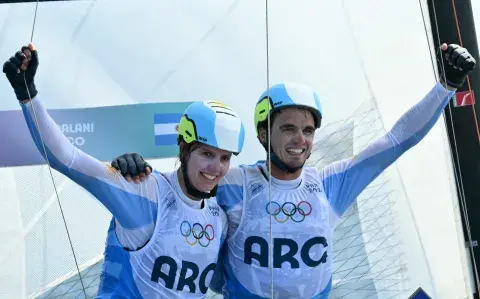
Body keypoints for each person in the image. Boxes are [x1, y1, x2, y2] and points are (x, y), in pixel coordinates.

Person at [112, 43, 475, 298]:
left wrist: (446, 86)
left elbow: (397, 141)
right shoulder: (233, 181)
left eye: (308, 130)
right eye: (288, 128)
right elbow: (175, 188)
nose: (299, 139)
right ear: (263, 133)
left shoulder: (331, 184)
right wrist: (131, 168)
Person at [2, 43, 246, 298]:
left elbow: (226, 282)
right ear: (183, 148)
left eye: (225, 158)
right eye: (206, 154)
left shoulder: (219, 217)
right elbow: (67, 158)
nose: (216, 168)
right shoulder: (145, 192)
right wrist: (28, 95)